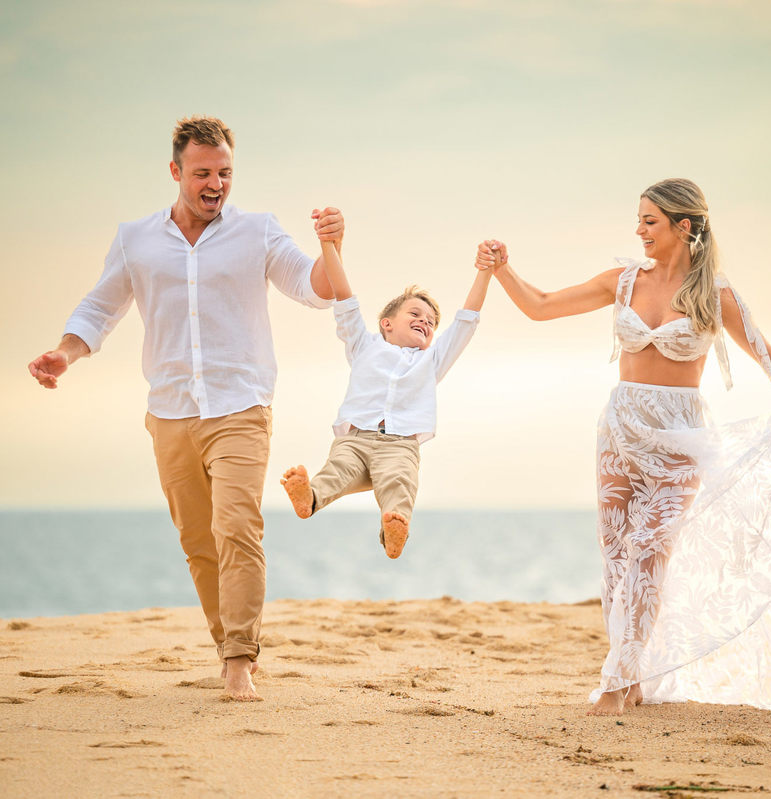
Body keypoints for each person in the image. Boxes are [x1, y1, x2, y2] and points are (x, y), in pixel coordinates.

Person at [475, 178, 771, 716]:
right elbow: (542, 307)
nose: (639, 230)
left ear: (684, 226)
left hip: (680, 436)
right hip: (621, 428)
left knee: (649, 553)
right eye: (639, 220)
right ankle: (632, 675)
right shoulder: (622, 280)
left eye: (649, 221)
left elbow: (767, 354)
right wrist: (502, 271)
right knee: (616, 557)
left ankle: (615, 683)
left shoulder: (715, 294)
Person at [27, 116, 342, 702]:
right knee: (199, 540)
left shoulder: (258, 232)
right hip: (169, 411)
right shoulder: (135, 239)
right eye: (202, 173)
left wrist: (330, 246)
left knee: (237, 528)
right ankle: (229, 643)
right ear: (176, 172)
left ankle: (239, 661)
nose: (215, 183)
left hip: (240, 407)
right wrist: (65, 354)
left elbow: (314, 288)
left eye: (225, 173)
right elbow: (99, 309)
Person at [280, 235, 492, 558]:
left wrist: (485, 271)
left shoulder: (431, 361)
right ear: (387, 323)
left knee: (399, 481)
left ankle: (394, 530)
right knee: (336, 470)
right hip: (354, 439)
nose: (425, 322)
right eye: (416, 314)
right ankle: (307, 498)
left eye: (432, 322)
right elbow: (344, 296)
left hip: (400, 444)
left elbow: (466, 322)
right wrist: (328, 244)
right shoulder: (363, 345)